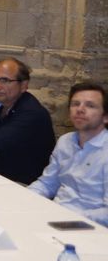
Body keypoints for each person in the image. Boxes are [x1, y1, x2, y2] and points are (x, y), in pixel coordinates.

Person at [29, 83, 108, 225]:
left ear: (105, 117)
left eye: (90, 105)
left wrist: (68, 217)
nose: (80, 109)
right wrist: (22, 198)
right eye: (75, 104)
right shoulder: (65, 141)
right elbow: (47, 184)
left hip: (91, 228)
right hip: (55, 217)